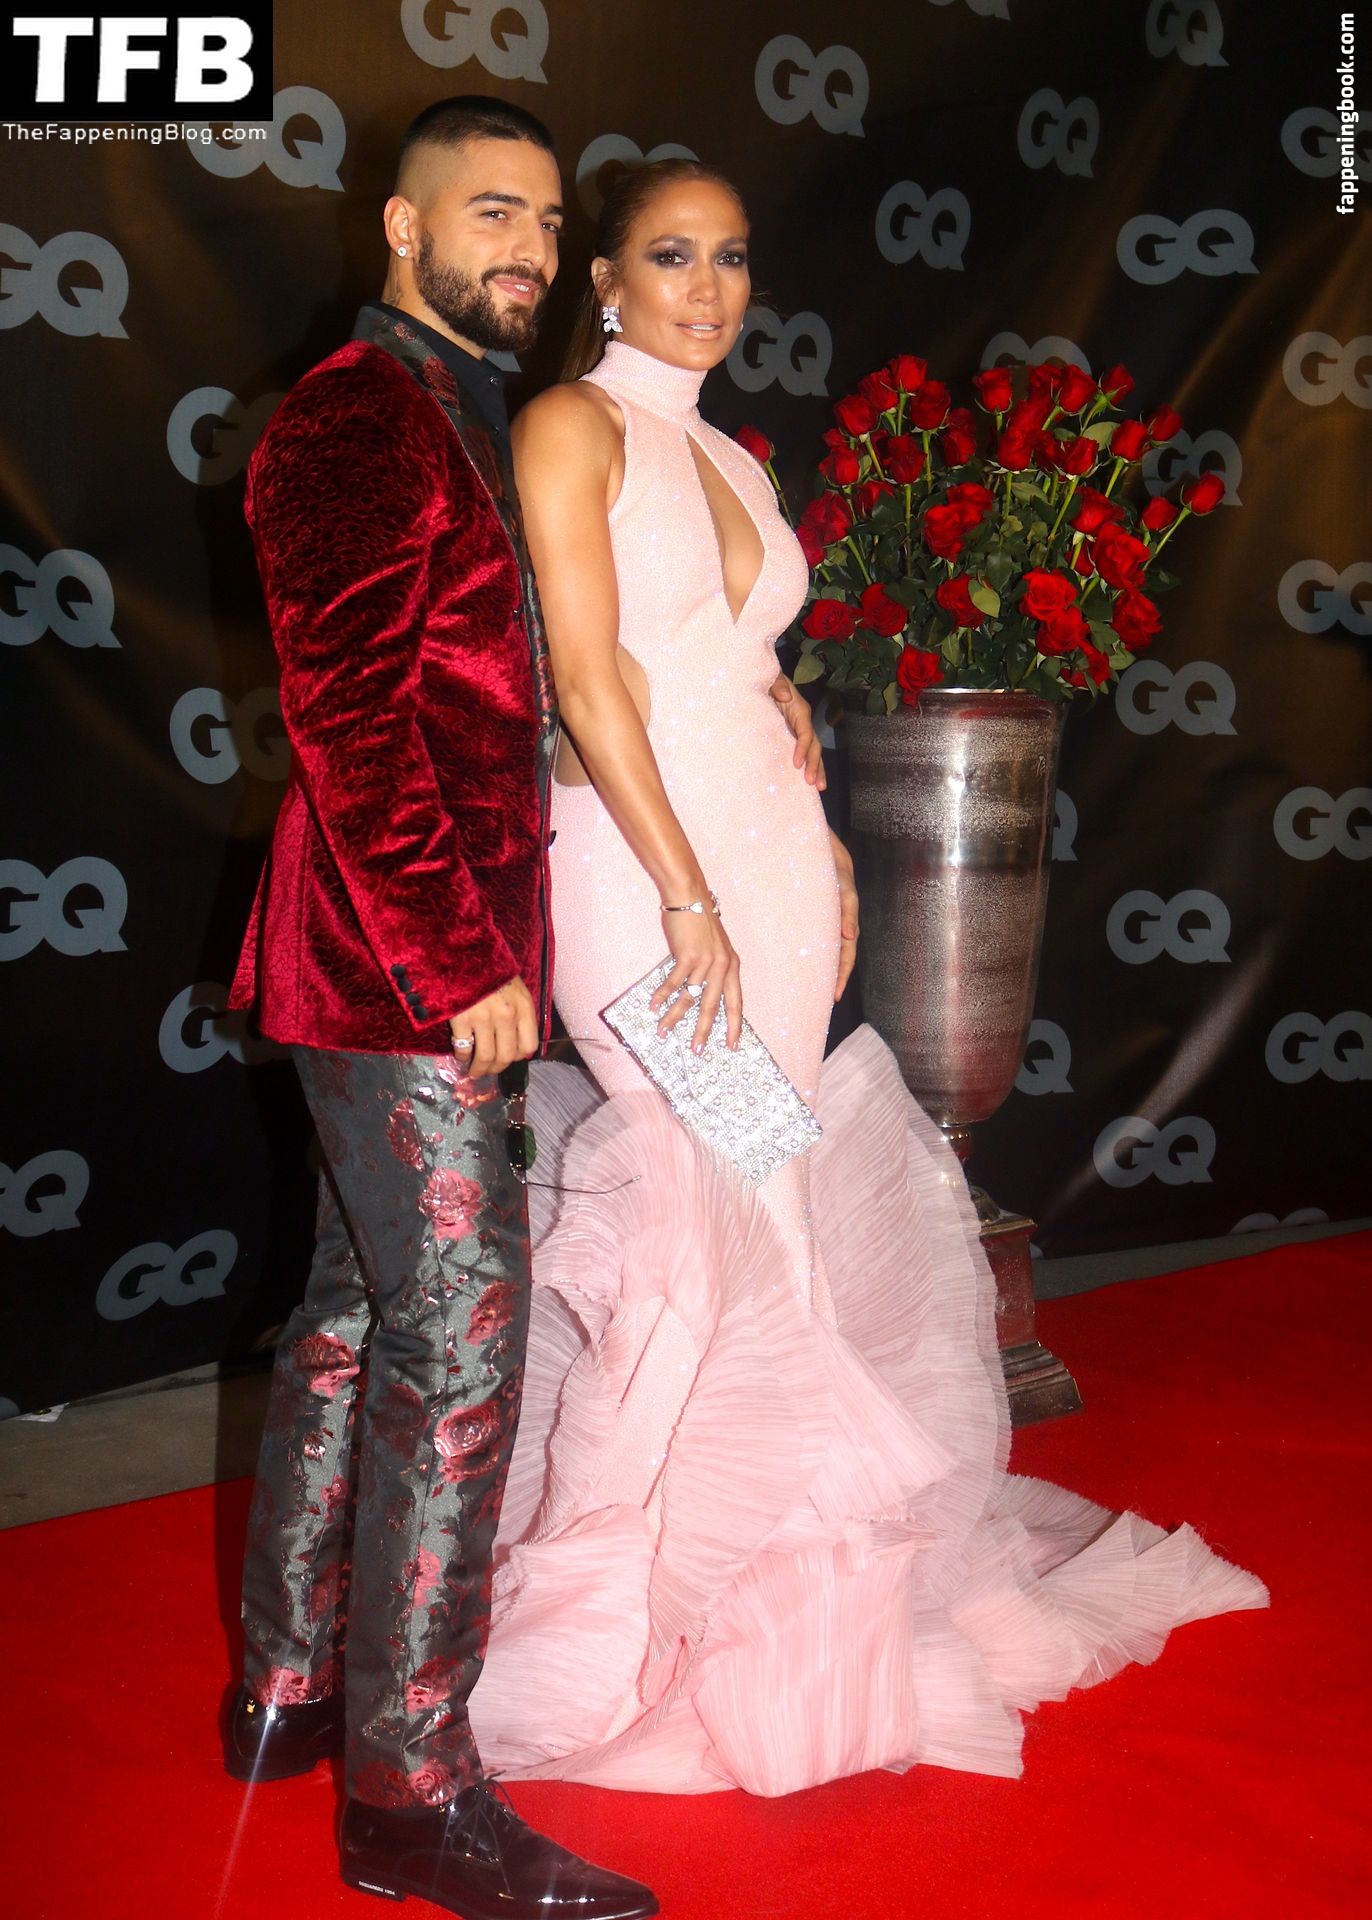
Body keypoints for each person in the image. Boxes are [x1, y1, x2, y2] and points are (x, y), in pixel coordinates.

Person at [456, 159, 1270, 1795]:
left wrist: (816, 841)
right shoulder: (571, 427)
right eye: (670, 255)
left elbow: (746, 669)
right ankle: (648, 1628)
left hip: (767, 866)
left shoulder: (730, 456)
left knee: (774, 1210)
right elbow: (589, 678)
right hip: (641, 877)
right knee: (714, 1213)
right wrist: (686, 890)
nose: (708, 287)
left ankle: (801, 1593)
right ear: (603, 277)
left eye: (731, 256)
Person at [221, 96, 668, 1920]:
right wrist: (457, 958)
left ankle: (286, 1688)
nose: (532, 253)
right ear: (401, 229)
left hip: (403, 955)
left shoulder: (462, 409)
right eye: (493, 215)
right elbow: (345, 720)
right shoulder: (358, 412)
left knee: (356, 1320)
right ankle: (411, 1790)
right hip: (404, 967)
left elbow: (474, 687)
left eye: (549, 224)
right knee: (463, 1352)